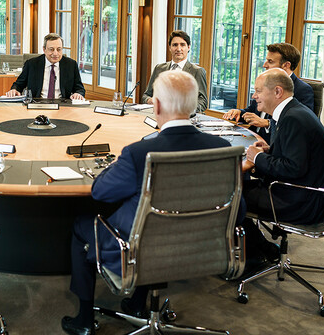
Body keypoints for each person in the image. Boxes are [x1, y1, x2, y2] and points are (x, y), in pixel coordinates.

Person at [61, 70, 239, 335]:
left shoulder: (138, 153)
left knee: (83, 226)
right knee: (153, 224)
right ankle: (136, 304)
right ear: (194, 105)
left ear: (156, 106)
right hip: (202, 250)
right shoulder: (223, 148)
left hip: (142, 251)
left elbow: (100, 192)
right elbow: (238, 210)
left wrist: (114, 166)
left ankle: (84, 319)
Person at [241, 68, 324, 259]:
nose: (254, 96)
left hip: (299, 201)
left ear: (277, 92)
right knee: (236, 190)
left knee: (230, 197)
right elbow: (295, 157)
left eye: (258, 91)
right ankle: (262, 249)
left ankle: (258, 255)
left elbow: (292, 168)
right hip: (301, 192)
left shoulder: (293, 119)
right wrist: (269, 151)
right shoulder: (294, 112)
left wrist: (257, 158)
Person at [222, 43, 314, 143]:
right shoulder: (266, 81)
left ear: (286, 65)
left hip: (271, 143)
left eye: (270, 61)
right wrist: (239, 113)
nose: (264, 65)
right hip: (252, 137)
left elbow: (299, 125)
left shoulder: (302, 89)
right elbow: (253, 111)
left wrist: (267, 123)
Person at [142, 30, 208, 112]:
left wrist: (182, 109)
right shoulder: (159, 68)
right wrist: (149, 100)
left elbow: (203, 102)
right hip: (158, 115)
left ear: (188, 47)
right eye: (175, 45)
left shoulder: (197, 71)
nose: (178, 49)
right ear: (170, 48)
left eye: (182, 45)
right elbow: (146, 95)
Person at [5, 33, 85, 100]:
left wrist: (78, 94)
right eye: (51, 49)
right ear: (44, 49)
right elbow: (19, 84)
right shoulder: (32, 64)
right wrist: (14, 90)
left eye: (59, 49)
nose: (55, 53)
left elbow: (79, 88)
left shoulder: (71, 65)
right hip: (37, 104)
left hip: (63, 106)